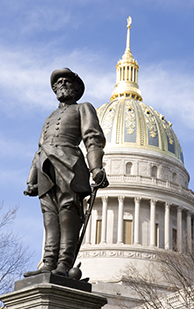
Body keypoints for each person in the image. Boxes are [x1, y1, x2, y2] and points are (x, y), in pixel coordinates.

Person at [24, 68, 108, 277]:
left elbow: (93, 138)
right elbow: (40, 148)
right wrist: (31, 179)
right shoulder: (50, 117)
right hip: (46, 167)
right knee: (49, 216)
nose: (62, 84)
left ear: (76, 88)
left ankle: (64, 262)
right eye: (58, 82)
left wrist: (96, 168)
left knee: (67, 212)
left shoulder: (83, 108)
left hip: (69, 164)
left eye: (66, 81)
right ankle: (48, 263)